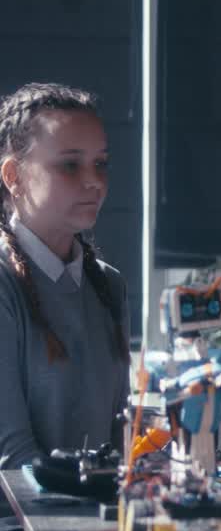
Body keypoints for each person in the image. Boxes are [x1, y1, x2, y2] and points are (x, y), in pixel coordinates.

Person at [0, 83, 129, 469]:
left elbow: (120, 440)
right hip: (19, 524)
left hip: (95, 518)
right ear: (13, 176)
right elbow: (12, 460)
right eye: (70, 165)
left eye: (101, 163)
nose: (94, 181)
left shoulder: (109, 285)